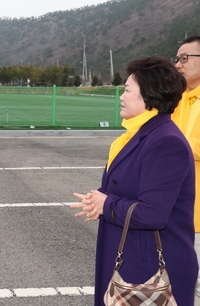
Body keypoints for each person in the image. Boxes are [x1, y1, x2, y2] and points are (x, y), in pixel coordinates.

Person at [71, 56, 197, 305]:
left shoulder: (165, 141)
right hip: (132, 260)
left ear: (148, 95)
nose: (121, 95)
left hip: (150, 269)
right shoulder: (137, 134)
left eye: (128, 90)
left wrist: (106, 204)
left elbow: (152, 214)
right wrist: (98, 200)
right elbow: (128, 187)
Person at [172, 35, 200, 305]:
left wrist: (173, 143)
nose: (178, 64)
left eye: (185, 58)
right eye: (176, 59)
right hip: (175, 215)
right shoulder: (177, 99)